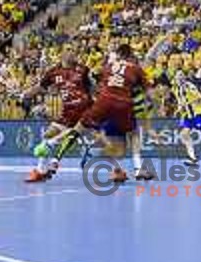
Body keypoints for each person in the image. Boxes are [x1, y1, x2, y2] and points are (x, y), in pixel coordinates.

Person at [52, 44, 152, 183]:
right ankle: (137, 169)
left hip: (103, 102)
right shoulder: (136, 68)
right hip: (123, 104)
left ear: (117, 55)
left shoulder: (108, 66)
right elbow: (149, 92)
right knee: (133, 134)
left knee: (79, 129)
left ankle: (55, 159)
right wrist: (150, 102)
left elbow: (97, 79)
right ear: (130, 56)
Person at [24, 50, 93, 183]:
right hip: (67, 111)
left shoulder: (83, 69)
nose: (71, 54)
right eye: (68, 51)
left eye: (73, 52)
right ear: (62, 56)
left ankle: (117, 170)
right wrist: (28, 94)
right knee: (47, 135)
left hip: (85, 108)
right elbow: (41, 86)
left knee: (105, 137)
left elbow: (91, 87)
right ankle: (40, 171)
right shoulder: (53, 72)